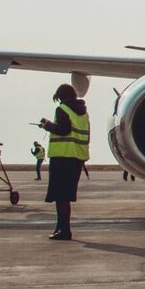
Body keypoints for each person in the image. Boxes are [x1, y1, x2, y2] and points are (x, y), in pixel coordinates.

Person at [38, 83, 89, 241]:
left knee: (60, 196)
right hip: (77, 157)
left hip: (62, 157)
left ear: (62, 96)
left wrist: (48, 126)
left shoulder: (62, 109)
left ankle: (64, 230)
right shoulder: (84, 113)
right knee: (67, 195)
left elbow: (63, 130)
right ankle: (62, 229)